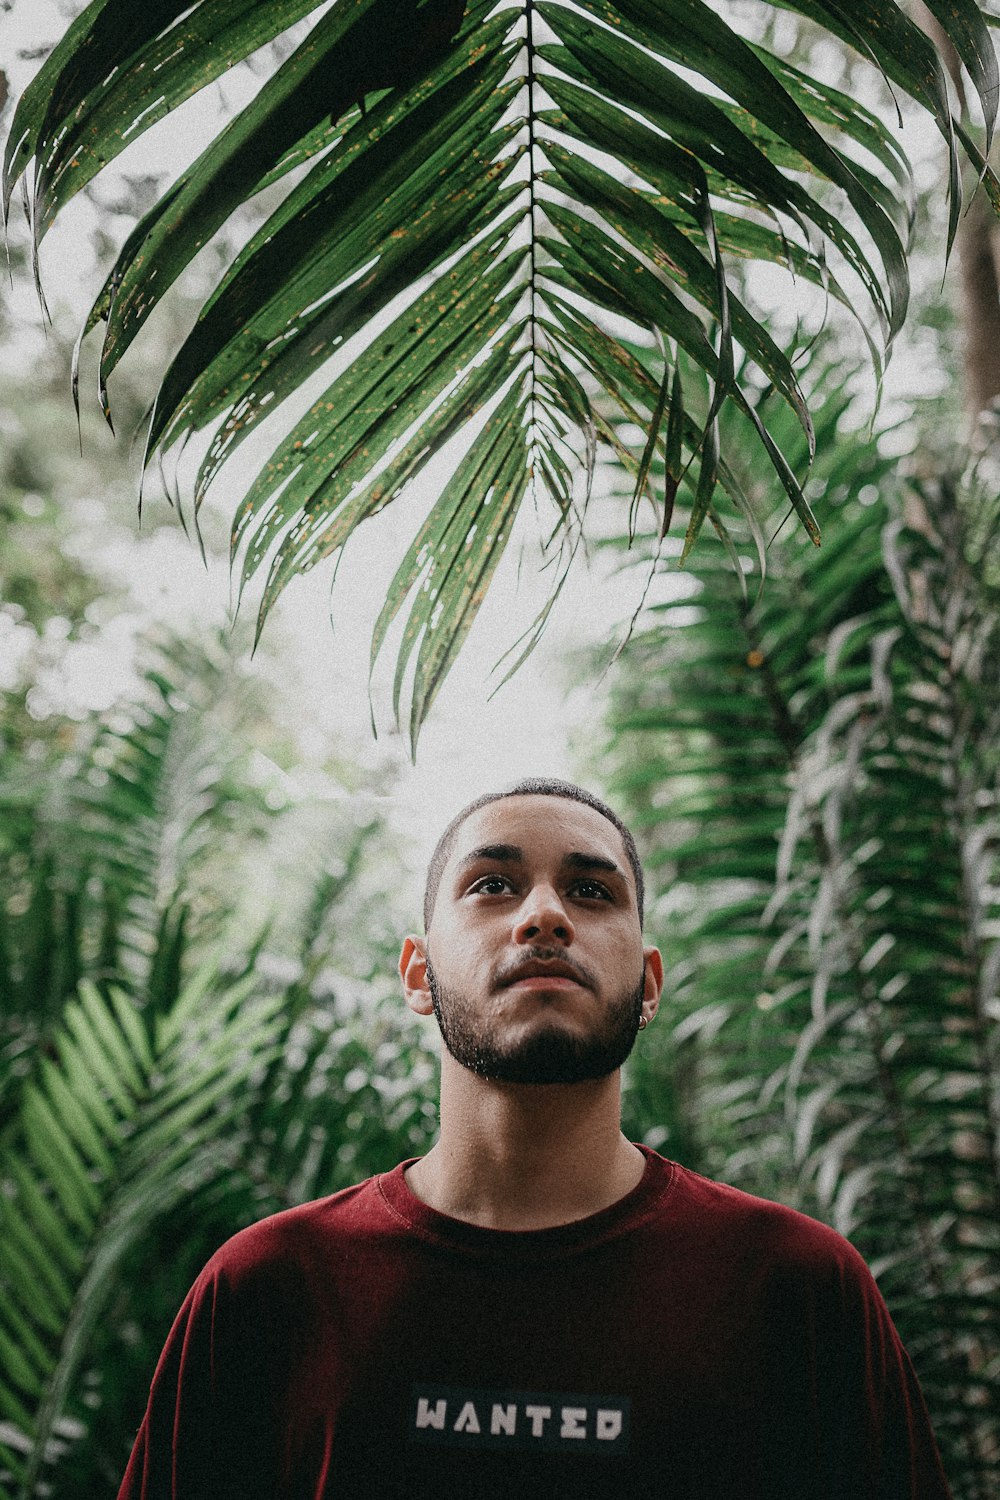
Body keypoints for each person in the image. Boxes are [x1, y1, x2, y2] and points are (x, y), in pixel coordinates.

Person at [118, 778, 952, 1498]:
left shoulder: (796, 1290)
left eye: (592, 892)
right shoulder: (269, 1288)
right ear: (418, 973)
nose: (545, 916)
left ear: (649, 982)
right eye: (492, 885)